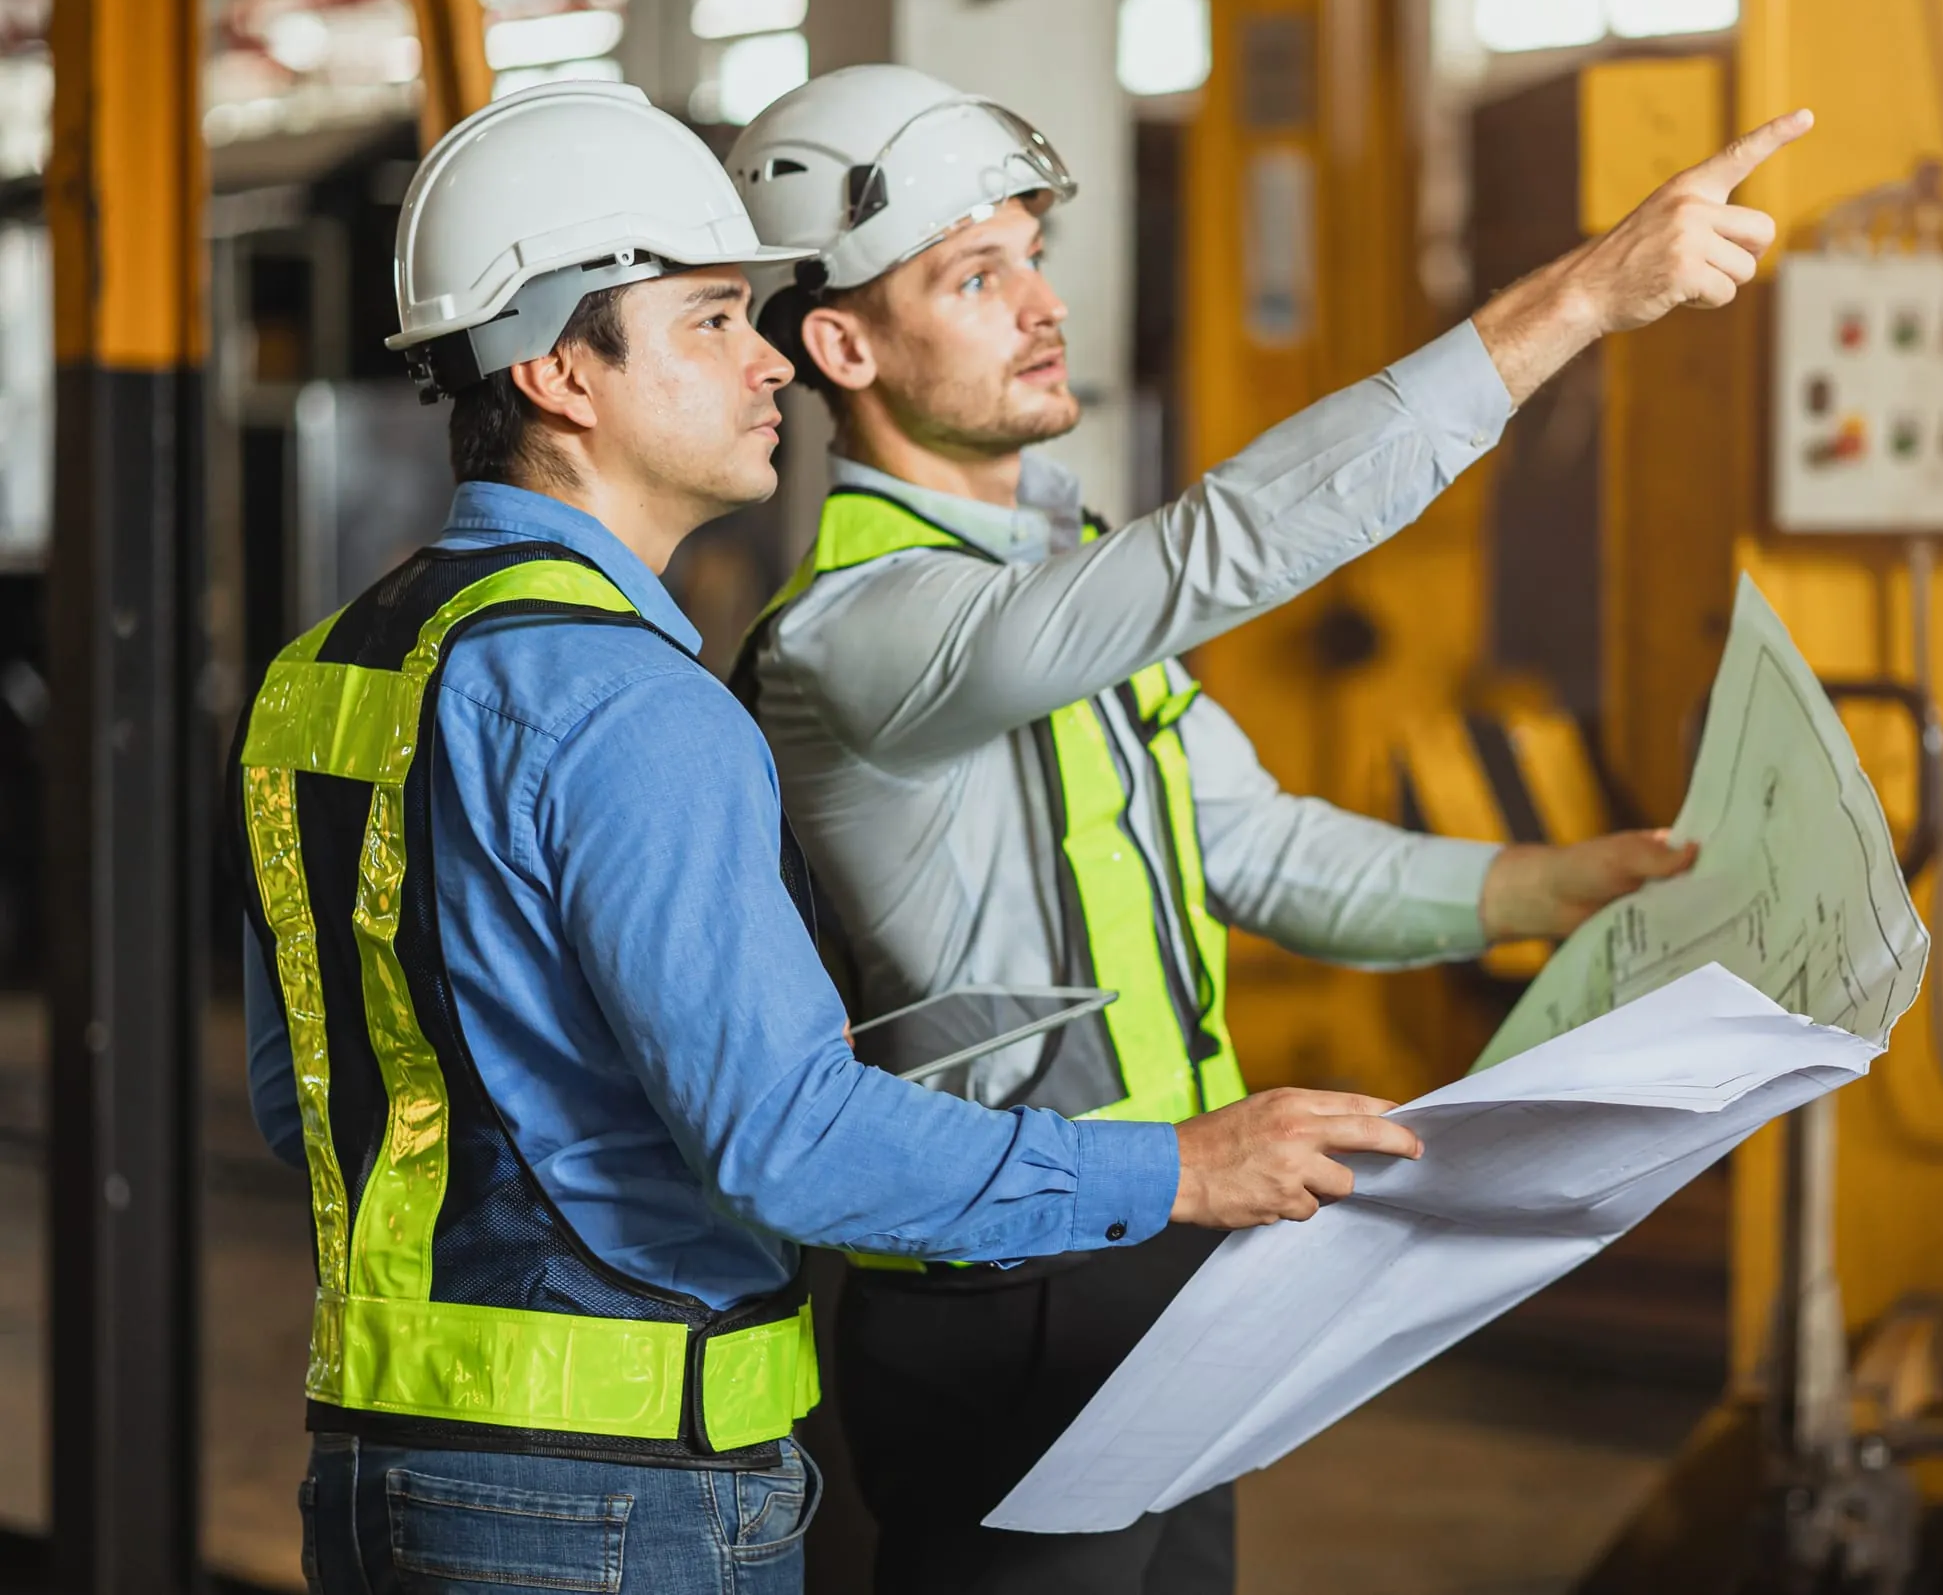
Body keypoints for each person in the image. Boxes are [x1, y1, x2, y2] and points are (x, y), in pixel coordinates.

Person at [234, 80, 1424, 1595]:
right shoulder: (632, 704)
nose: (770, 359)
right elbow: (784, 1141)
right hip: (620, 1487)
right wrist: (1174, 1168)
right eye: (713, 321)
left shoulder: (324, 672)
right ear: (556, 372)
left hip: (384, 1468)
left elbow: (311, 1097)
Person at [725, 64, 1809, 1593]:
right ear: (841, 342)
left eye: (1033, 254)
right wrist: (1577, 301)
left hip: (1182, 1240)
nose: (1040, 304)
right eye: (975, 275)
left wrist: (1554, 884)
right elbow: (1227, 545)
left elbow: (1260, 849)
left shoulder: (1058, 581)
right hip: (1009, 1285)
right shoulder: (861, 631)